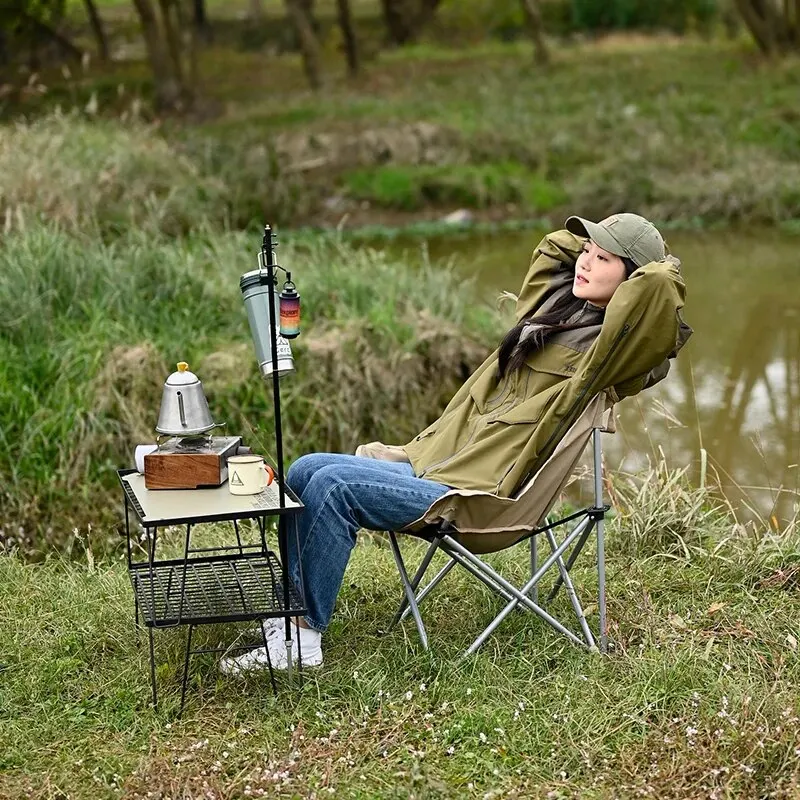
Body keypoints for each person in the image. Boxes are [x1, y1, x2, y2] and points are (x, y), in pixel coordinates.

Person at [220, 213, 692, 674]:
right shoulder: (554, 313)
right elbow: (554, 247)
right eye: (586, 251)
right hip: (442, 465)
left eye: (603, 258)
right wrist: (601, 250)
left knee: (335, 487)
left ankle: (302, 640)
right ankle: (288, 620)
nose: (585, 262)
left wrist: (650, 261)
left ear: (633, 281)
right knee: (305, 470)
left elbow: (657, 297)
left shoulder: (609, 355)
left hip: (482, 499)